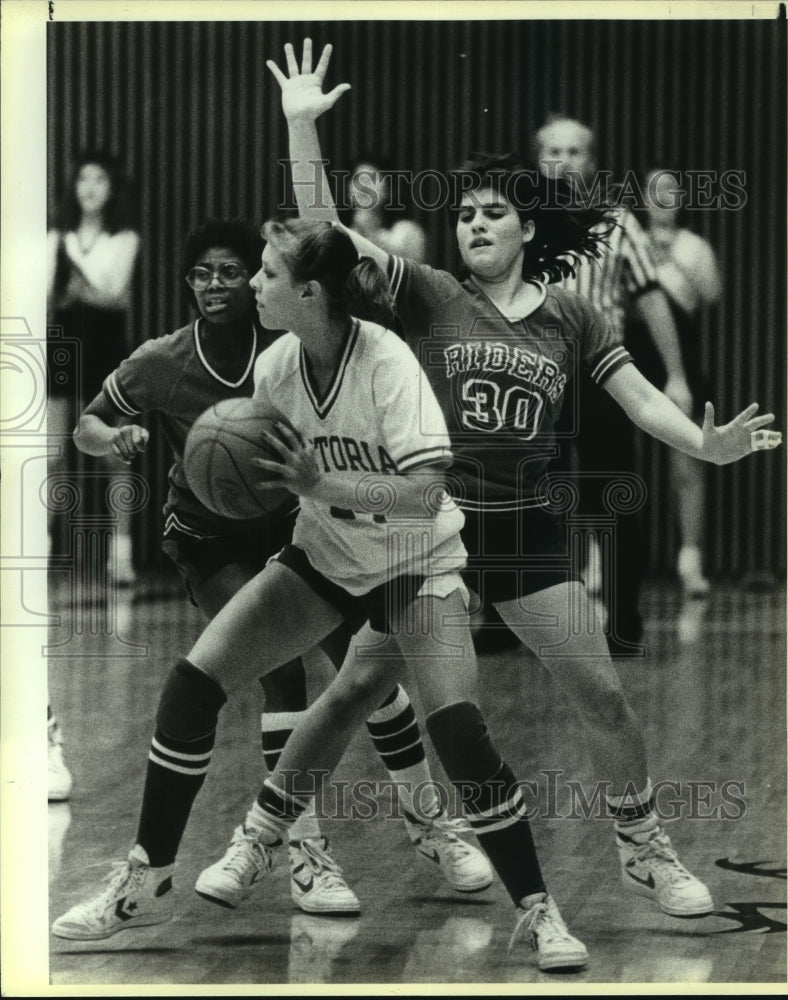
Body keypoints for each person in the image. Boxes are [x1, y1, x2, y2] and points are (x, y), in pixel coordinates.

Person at [254, 37, 781, 956]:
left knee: (602, 696)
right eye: (464, 215)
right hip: (427, 536)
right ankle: (259, 838)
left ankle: (641, 844)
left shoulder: (574, 314)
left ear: (528, 228)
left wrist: (707, 442)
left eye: (493, 213)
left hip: (529, 533)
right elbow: (326, 237)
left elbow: (637, 395)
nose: (475, 226)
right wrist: (303, 129)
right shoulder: (425, 293)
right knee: (350, 695)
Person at [51, 215, 589, 973]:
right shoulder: (277, 369)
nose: (254, 286)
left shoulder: (387, 363)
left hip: (414, 565)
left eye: (267, 274)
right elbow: (256, 474)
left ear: (308, 291)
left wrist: (323, 483)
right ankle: (147, 873)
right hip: (326, 559)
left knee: (460, 733)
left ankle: (538, 910)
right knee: (192, 684)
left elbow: (430, 496)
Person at [533, 116, 695, 652]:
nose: (563, 160)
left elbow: (651, 299)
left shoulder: (619, 222)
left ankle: (623, 621)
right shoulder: (517, 220)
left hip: (603, 375)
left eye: (575, 151)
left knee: (612, 497)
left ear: (593, 162)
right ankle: (528, 623)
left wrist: (674, 376)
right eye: (553, 150)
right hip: (536, 380)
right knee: (532, 499)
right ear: (538, 159)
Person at [47, 149, 141, 582]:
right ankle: (43, 547)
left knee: (114, 452)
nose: (89, 187)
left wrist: (78, 288)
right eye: (83, 178)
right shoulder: (56, 237)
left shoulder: (124, 237)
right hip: (63, 343)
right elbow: (49, 297)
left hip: (105, 343)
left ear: (111, 188)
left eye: (99, 179)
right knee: (52, 453)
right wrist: (71, 293)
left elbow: (115, 295)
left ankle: (120, 556)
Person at [634, 168, 722, 596]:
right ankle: (598, 561)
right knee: (614, 458)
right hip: (632, 355)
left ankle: (690, 561)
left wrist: (672, 262)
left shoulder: (695, 246)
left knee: (687, 462)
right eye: (655, 191)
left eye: (671, 191)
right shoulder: (629, 239)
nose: (663, 198)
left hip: (679, 360)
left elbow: (712, 294)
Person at [346, 152, 428, 262]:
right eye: (357, 178)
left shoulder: (408, 231)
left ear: (389, 189)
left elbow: (404, 266)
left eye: (371, 178)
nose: (363, 185)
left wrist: (369, 231)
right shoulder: (335, 234)